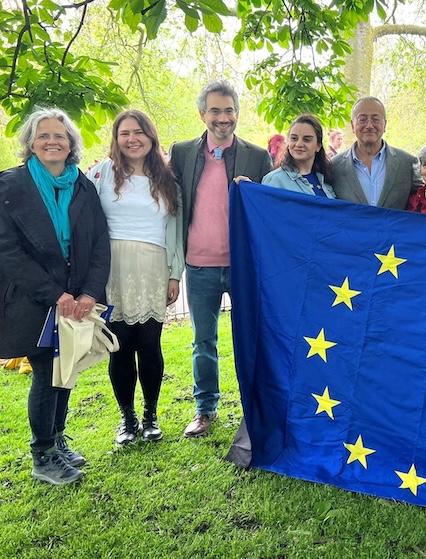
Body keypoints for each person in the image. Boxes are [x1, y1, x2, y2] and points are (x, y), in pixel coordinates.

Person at [0, 108, 110, 484]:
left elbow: (99, 243)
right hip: (33, 298)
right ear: (31, 143)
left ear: (70, 143)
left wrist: (89, 292)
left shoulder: (82, 186)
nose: (52, 141)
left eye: (59, 136)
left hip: (76, 299)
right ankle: (43, 454)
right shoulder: (10, 186)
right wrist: (54, 294)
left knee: (66, 368)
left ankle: (57, 439)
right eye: (43, 135)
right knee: (47, 372)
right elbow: (7, 251)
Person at [170, 80, 273, 438]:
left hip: (244, 267)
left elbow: (269, 212)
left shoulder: (257, 157)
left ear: (237, 114)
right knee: (203, 341)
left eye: (229, 110)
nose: (223, 117)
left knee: (252, 339)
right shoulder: (182, 153)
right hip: (199, 265)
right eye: (215, 110)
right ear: (202, 114)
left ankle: (256, 408)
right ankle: (205, 409)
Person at [87, 110, 183, 445]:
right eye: (125, 133)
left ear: (151, 137)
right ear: (116, 138)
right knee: (120, 345)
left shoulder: (167, 180)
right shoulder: (101, 173)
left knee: (150, 344)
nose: (132, 139)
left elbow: (175, 232)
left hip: (153, 266)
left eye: (139, 132)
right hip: (112, 267)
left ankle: (150, 415)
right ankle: (127, 418)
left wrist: (174, 274)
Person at [331, 96, 422, 209]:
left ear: (385, 125)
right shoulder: (334, 166)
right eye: (362, 119)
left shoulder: (408, 163)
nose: (369, 125)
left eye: (376, 119)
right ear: (352, 126)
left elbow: (423, 204)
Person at [262, 114, 335, 198]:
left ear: (318, 145)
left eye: (306, 139)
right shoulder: (274, 180)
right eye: (294, 138)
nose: (299, 144)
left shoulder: (325, 179)